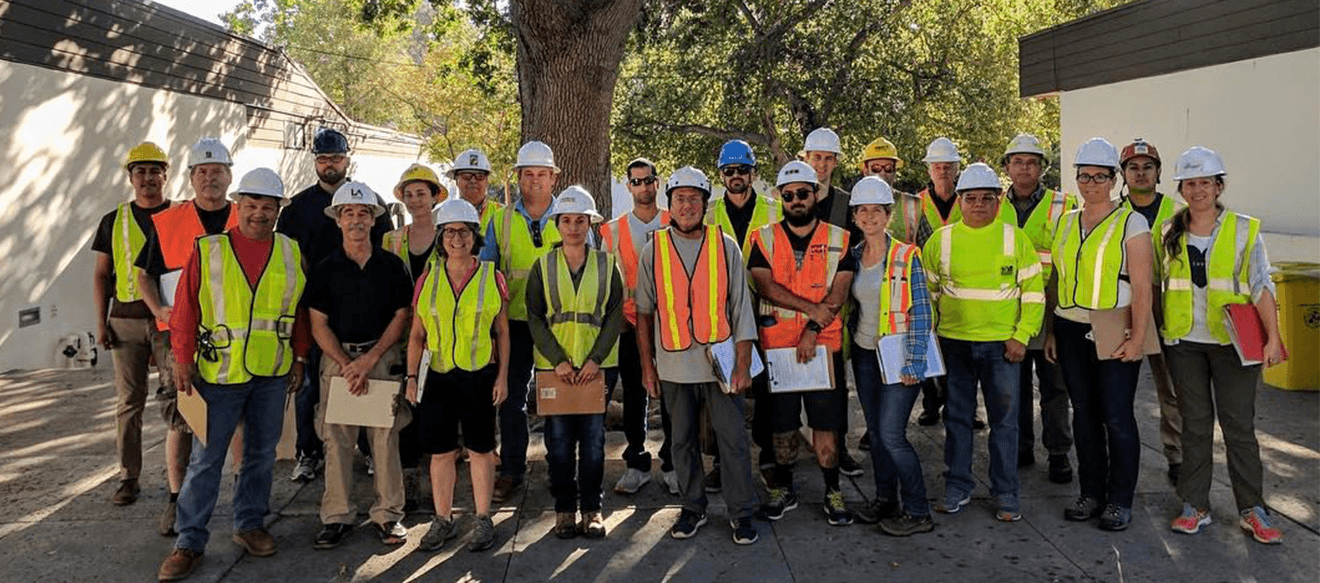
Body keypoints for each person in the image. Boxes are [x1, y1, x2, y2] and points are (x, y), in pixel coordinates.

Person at [157, 168, 311, 582]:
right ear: (238, 206)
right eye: (251, 205)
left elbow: (298, 311)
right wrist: (181, 358)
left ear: (278, 210)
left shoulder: (291, 251)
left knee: (261, 455)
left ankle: (249, 525)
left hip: (271, 372)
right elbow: (185, 307)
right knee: (207, 460)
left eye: (267, 207)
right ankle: (189, 542)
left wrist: (299, 357)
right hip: (218, 375)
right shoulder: (209, 249)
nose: (259, 213)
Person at [1159, 146, 1286, 545]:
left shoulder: (1244, 229)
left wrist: (1274, 338)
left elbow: (1261, 285)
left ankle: (1252, 509)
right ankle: (1195, 505)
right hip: (1185, 343)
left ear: (1218, 186)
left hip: (1233, 344)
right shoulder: (1167, 231)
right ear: (1181, 189)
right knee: (1194, 425)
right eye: (1189, 183)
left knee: (1239, 427)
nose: (1197, 190)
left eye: (1205, 183)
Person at [636, 166, 761, 545]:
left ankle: (742, 512)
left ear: (705, 204)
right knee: (681, 442)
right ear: (669, 204)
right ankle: (693, 508)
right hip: (674, 365)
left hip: (721, 364)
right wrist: (647, 367)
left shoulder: (725, 245)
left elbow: (741, 307)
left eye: (694, 198)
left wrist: (743, 363)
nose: (687, 205)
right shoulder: (653, 249)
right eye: (680, 199)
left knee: (733, 440)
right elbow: (644, 313)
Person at [923, 163, 1043, 523]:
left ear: (998, 200)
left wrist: (1021, 336)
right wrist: (932, 339)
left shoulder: (1015, 239)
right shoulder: (941, 240)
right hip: (955, 344)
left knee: (1004, 422)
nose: (978, 205)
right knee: (957, 418)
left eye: (986, 198)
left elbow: (1033, 294)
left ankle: (1006, 493)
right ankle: (957, 486)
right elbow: (927, 295)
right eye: (971, 198)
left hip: (1002, 347)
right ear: (960, 200)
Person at [1045, 138, 1153, 532]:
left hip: (1113, 327)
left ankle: (1119, 499)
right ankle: (1091, 492)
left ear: (1114, 180)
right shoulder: (1065, 222)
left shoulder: (1132, 223)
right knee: (1084, 414)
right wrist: (1052, 330)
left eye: (1099, 176)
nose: (1091, 183)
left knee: (1117, 416)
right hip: (1070, 327)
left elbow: (1142, 287)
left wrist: (1137, 338)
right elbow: (1057, 279)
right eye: (1084, 176)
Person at [135, 138, 240, 535]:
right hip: (179, 336)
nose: (211, 178)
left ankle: (243, 499)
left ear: (229, 176)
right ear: (192, 178)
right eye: (203, 172)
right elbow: (144, 275)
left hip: (234, 335)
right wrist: (157, 309)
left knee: (237, 416)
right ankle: (177, 501)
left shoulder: (246, 217)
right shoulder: (168, 221)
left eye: (218, 171)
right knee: (183, 418)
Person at [279, 128, 394, 483]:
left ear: (347, 159)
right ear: (315, 161)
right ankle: (309, 452)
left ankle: (368, 450)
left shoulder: (371, 200)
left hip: (365, 310)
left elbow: (385, 252)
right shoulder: (297, 208)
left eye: (337, 158)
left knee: (367, 380)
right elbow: (287, 256)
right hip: (315, 312)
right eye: (324, 158)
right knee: (311, 386)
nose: (330, 164)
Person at [306, 182, 415, 549]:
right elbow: (318, 324)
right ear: (338, 220)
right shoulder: (325, 269)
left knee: (384, 439)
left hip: (381, 360)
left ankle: (388, 515)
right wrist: (346, 363)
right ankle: (337, 516)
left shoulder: (391, 266)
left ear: (373, 220)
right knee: (337, 441)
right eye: (348, 213)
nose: (356, 220)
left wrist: (369, 360)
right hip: (339, 363)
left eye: (363, 213)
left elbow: (401, 316)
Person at [749, 161, 857, 526]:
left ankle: (833, 491)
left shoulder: (840, 239)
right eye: (789, 195)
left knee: (826, 425)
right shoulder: (764, 238)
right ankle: (784, 489)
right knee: (782, 426)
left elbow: (838, 293)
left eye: (803, 193)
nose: (796, 200)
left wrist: (811, 328)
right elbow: (765, 286)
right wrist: (811, 309)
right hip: (779, 347)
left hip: (823, 348)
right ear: (781, 197)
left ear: (816, 194)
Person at [408, 199, 510, 553]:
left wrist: (503, 377)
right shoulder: (428, 278)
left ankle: (482, 519)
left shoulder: (492, 277)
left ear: (474, 236)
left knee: (481, 450)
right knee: (441, 452)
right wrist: (411, 378)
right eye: (449, 232)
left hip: (479, 375)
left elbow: (503, 333)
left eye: (463, 232)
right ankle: (443, 519)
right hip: (438, 377)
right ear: (440, 237)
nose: (456, 239)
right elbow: (417, 335)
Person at [527, 186, 624, 539]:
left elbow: (614, 315)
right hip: (556, 370)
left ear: (590, 224)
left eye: (580, 221)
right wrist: (558, 360)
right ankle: (565, 510)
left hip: (596, 369)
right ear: (557, 224)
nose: (573, 227)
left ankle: (592, 510)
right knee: (559, 443)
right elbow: (535, 316)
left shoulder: (607, 265)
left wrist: (595, 359)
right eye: (566, 220)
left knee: (594, 442)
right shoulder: (543, 266)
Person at [845, 176, 936, 536]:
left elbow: (922, 312)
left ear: (888, 215)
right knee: (877, 434)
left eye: (877, 210)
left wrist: (915, 360)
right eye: (862, 210)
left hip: (899, 357)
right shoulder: (853, 256)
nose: (869, 216)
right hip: (866, 355)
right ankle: (886, 500)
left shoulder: (907, 255)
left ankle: (918, 511)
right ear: (855, 216)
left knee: (892, 435)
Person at [481, 140, 567, 502]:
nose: (535, 180)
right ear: (518, 177)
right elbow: (486, 275)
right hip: (513, 323)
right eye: (528, 173)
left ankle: (560, 468)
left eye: (542, 174)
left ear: (553, 178)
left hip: (557, 325)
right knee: (511, 398)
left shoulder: (569, 216)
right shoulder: (499, 221)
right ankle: (512, 470)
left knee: (558, 398)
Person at [92, 141, 173, 510]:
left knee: (178, 399)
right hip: (124, 321)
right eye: (141, 171)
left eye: (155, 170)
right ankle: (128, 476)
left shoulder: (180, 216)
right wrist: (100, 323)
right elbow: (101, 275)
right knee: (129, 402)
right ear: (130, 177)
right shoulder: (113, 221)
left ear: (165, 176)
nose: (148, 178)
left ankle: (180, 479)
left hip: (169, 323)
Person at [703, 140, 783, 491]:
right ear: (721, 175)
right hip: (722, 316)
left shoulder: (775, 211)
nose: (736, 176)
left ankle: (768, 458)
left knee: (767, 391)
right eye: (729, 171)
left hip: (767, 312)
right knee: (725, 389)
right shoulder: (708, 214)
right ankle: (724, 461)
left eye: (742, 170)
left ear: (753, 173)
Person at [998, 133, 1077, 484]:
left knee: (1055, 387)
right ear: (1007, 167)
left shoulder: (1064, 205)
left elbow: (1067, 262)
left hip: (1049, 308)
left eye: (1031, 162)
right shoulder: (993, 204)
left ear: (1042, 168)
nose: (1024, 168)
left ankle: (1058, 452)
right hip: (1006, 311)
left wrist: (1056, 321)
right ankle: (1021, 447)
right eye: (1017, 162)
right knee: (1012, 388)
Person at [891, 137, 983, 429]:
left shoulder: (970, 199)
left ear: (957, 169)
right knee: (928, 343)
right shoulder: (914, 204)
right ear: (928, 170)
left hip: (964, 286)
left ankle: (965, 407)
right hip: (925, 285)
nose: (943, 171)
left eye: (948, 166)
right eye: (937, 166)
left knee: (963, 352)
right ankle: (932, 403)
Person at [600, 158, 673, 495]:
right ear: (628, 186)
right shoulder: (614, 230)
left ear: (657, 183)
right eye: (637, 181)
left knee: (673, 396)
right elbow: (606, 282)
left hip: (671, 326)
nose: (643, 187)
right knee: (634, 396)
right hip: (630, 325)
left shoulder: (674, 221)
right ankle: (636, 462)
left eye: (648, 180)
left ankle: (672, 463)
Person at [1117, 138, 1185, 484]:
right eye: (1133, 167)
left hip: (1167, 307)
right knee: (1114, 389)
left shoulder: (1179, 213)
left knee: (1171, 388)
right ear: (1123, 174)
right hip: (1120, 307)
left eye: (1148, 167)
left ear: (1159, 173)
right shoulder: (1112, 211)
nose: (1141, 173)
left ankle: (1177, 456)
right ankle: (1114, 455)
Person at [381, 163, 446, 510]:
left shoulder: (450, 235)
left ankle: (438, 476)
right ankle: (408, 476)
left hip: (440, 335)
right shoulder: (391, 240)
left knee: (434, 406)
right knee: (403, 407)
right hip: (401, 333)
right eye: (409, 194)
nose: (415, 199)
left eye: (422, 193)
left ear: (435, 197)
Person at [448, 148, 502, 229]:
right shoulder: (444, 213)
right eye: (466, 176)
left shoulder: (504, 213)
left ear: (487, 181)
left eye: (480, 176)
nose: (473, 180)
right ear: (456, 180)